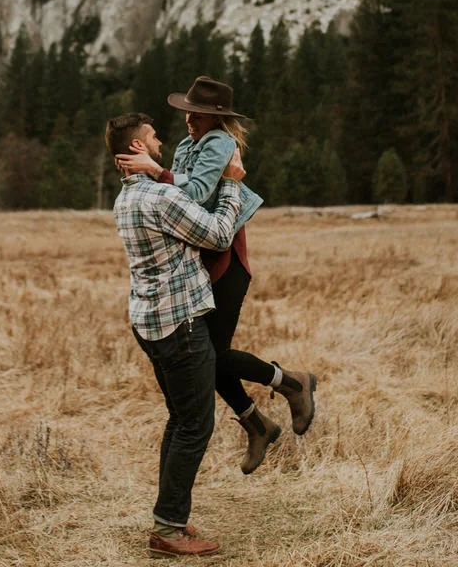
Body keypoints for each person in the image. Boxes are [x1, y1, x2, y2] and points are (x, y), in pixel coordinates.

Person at [116, 76, 317, 476]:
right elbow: (178, 198)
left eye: (197, 112)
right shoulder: (189, 145)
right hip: (207, 261)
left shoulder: (221, 144)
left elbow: (199, 193)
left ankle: (290, 385)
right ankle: (259, 422)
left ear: (215, 116)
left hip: (227, 264)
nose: (189, 118)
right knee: (206, 358)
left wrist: (156, 170)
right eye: (188, 111)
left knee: (214, 356)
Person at [105, 111, 246, 558]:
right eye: (152, 138)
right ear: (136, 149)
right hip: (180, 323)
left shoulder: (125, 199)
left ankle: (170, 517)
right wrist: (231, 182)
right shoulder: (160, 199)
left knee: (179, 419)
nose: (161, 143)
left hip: (149, 323)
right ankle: (168, 529)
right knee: (195, 425)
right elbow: (220, 235)